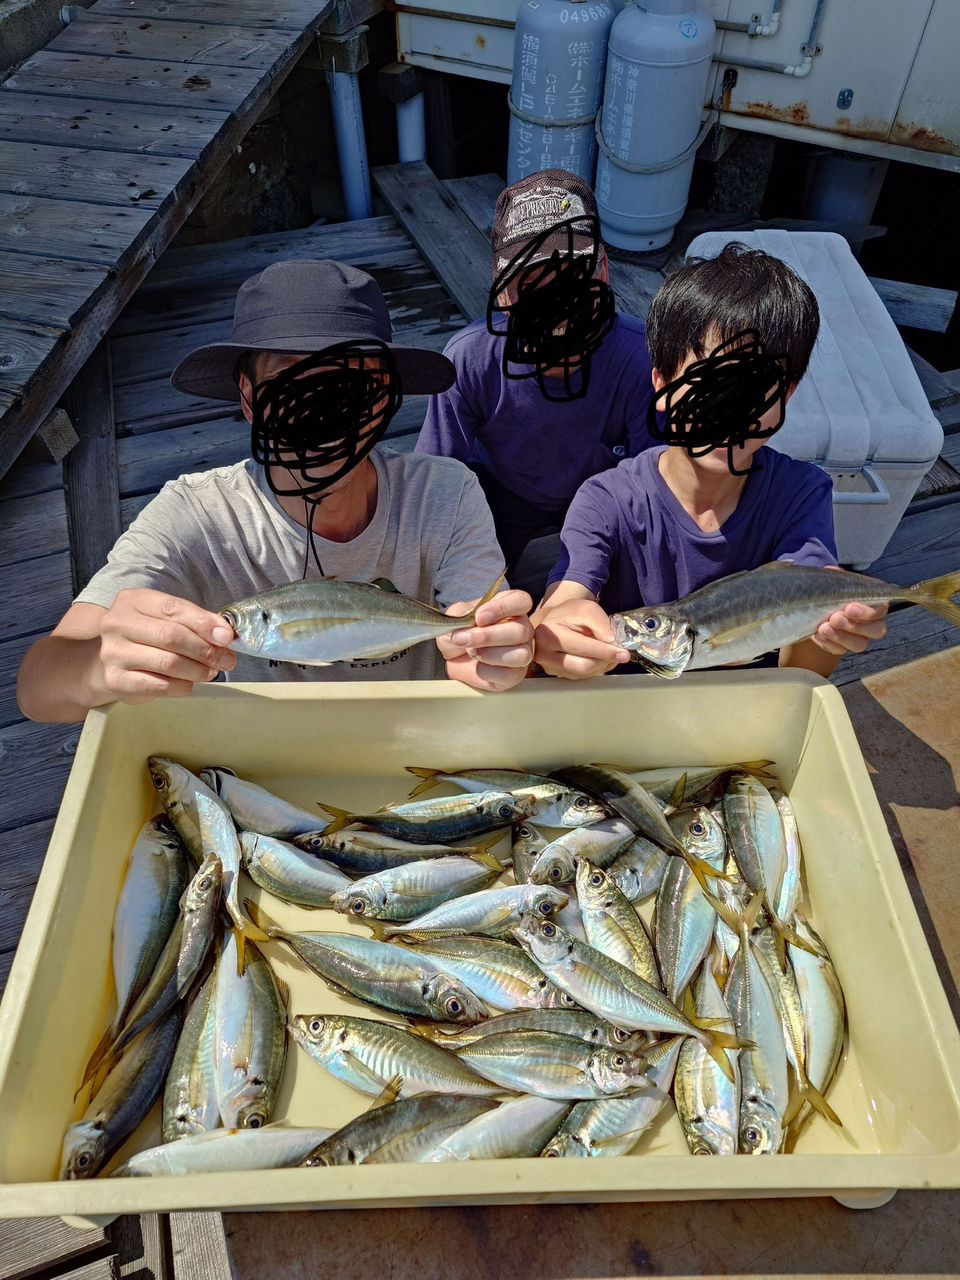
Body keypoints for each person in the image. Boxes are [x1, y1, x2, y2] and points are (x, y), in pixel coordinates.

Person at [17, 260, 535, 724]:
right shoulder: (195, 514)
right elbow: (39, 688)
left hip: (428, 742)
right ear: (249, 398)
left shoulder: (446, 492)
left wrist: (498, 650)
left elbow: (494, 639)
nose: (325, 417)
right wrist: (96, 666)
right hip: (266, 759)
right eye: (293, 385)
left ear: (384, 401)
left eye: (351, 387)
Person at [534, 243, 888, 679]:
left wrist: (830, 632)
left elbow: (806, 675)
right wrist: (552, 634)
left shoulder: (802, 493)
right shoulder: (607, 499)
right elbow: (564, 600)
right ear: (662, 383)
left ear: (787, 393)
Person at [416, 170, 655, 595]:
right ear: (503, 295)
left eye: (573, 277)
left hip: (605, 493)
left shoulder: (641, 361)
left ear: (604, 269)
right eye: (533, 285)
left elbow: (651, 493)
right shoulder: (469, 360)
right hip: (502, 492)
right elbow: (436, 479)